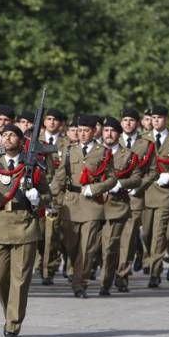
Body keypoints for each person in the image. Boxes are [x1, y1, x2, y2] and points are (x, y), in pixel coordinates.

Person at [0, 124, 49, 337]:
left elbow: (48, 195)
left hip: (24, 225)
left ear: (21, 141)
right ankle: (10, 311)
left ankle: (13, 324)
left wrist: (38, 198)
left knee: (20, 279)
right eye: (4, 135)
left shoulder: (34, 166)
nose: (7, 138)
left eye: (12, 135)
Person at [51, 115, 116, 298]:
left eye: (86, 131)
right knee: (70, 246)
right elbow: (60, 177)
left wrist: (95, 188)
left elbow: (112, 179)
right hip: (71, 202)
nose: (82, 134)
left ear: (94, 132)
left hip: (92, 204)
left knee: (87, 248)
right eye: (79, 130)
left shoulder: (102, 151)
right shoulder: (70, 150)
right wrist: (50, 198)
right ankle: (74, 272)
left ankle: (80, 284)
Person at [141, 105, 169, 288]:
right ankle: (156, 263)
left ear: (166, 119)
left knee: (159, 234)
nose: (156, 121)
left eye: (159, 118)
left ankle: (155, 272)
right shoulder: (143, 139)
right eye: (153, 118)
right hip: (147, 191)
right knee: (147, 234)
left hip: (166, 193)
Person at [98, 117, 141, 294]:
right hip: (93, 205)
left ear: (119, 134)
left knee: (112, 246)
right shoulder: (94, 152)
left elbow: (137, 178)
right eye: (106, 130)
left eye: (112, 131)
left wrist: (121, 184)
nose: (109, 134)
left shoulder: (128, 155)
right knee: (94, 246)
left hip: (117, 205)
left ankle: (107, 282)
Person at [37, 108, 69, 285]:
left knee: (53, 233)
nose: (52, 122)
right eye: (48, 119)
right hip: (38, 192)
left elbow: (64, 169)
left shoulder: (67, 143)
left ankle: (48, 269)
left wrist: (53, 188)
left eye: (55, 120)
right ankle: (40, 262)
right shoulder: (36, 141)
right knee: (40, 232)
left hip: (57, 193)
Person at [118, 107, 151, 278]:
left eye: (131, 120)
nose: (128, 123)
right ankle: (111, 269)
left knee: (128, 236)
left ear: (137, 123)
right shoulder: (112, 142)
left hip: (135, 198)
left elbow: (152, 172)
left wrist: (138, 186)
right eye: (125, 120)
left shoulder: (145, 144)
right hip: (113, 196)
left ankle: (122, 274)